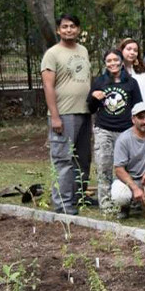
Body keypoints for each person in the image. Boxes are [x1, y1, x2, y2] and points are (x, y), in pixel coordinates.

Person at [41, 14, 93, 215]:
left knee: (83, 159)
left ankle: (78, 199)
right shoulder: (52, 54)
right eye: (65, 27)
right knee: (63, 159)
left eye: (72, 26)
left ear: (78, 29)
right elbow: (48, 85)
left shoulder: (83, 51)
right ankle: (63, 204)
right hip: (64, 114)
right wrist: (55, 116)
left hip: (84, 112)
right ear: (58, 30)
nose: (69, 30)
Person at [88, 49, 143, 211]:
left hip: (126, 131)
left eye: (115, 60)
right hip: (104, 129)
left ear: (121, 61)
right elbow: (90, 108)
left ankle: (129, 200)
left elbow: (138, 107)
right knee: (104, 165)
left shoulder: (131, 83)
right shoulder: (100, 82)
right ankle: (106, 203)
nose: (113, 63)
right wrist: (94, 98)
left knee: (127, 167)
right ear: (105, 64)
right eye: (109, 61)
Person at [119, 38, 145, 123]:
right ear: (121, 50)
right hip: (120, 117)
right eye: (129, 49)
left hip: (140, 116)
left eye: (135, 50)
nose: (132, 52)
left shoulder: (144, 71)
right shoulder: (115, 70)